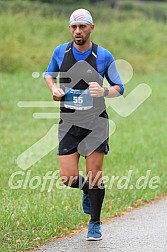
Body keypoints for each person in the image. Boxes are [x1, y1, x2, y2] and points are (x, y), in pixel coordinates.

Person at [45, 8, 124, 241]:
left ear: (91, 27)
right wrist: (54, 89)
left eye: (82, 26)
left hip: (96, 122)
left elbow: (119, 87)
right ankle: (87, 190)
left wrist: (104, 90)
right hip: (69, 122)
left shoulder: (103, 56)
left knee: (95, 175)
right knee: (68, 177)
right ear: (70, 28)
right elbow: (49, 75)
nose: (77, 31)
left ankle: (95, 224)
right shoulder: (61, 52)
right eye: (74, 27)